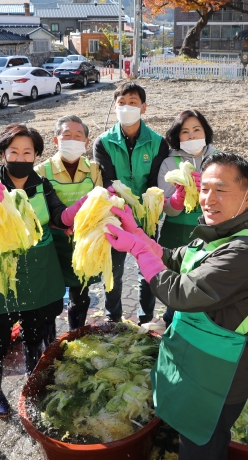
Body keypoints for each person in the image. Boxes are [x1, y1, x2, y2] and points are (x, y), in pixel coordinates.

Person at [105, 152, 248, 460]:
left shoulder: (245, 250)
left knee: (203, 448)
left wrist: (137, 250)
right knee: (189, 436)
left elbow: (180, 293)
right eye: (205, 188)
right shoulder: (219, 233)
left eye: (221, 189)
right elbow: (173, 259)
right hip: (194, 361)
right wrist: (137, 233)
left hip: (217, 378)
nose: (209, 199)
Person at [0, 123, 85, 418]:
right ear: (2, 153)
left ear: (35, 155)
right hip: (3, 274)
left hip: (38, 271)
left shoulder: (42, 185)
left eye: (28, 152)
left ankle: (33, 384)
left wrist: (77, 211)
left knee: (35, 332)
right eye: (14, 152)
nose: (21, 158)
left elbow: (58, 215)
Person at [93, 81, 170, 324]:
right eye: (122, 103)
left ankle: (146, 317)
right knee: (113, 270)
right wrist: (122, 212)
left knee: (147, 271)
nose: (127, 107)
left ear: (143, 108)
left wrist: (143, 214)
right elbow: (107, 182)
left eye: (133, 103)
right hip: (114, 216)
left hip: (146, 218)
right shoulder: (103, 142)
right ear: (115, 107)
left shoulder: (158, 143)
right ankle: (113, 317)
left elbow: (155, 184)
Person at [34, 115, 103, 330]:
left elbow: (99, 204)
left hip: (82, 242)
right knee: (51, 298)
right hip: (53, 244)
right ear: (56, 140)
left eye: (78, 135)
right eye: (66, 135)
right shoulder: (41, 171)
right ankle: (50, 342)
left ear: (86, 142)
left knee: (80, 297)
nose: (72, 139)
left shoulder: (93, 169)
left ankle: (76, 333)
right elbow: (38, 211)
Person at [157, 109, 214, 327]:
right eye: (185, 132)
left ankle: (199, 324)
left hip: (209, 232)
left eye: (196, 130)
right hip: (175, 232)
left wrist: (209, 190)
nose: (191, 136)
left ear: (205, 133)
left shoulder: (218, 159)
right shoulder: (168, 163)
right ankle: (171, 322)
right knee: (176, 282)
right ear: (177, 136)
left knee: (203, 280)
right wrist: (178, 198)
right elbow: (167, 209)